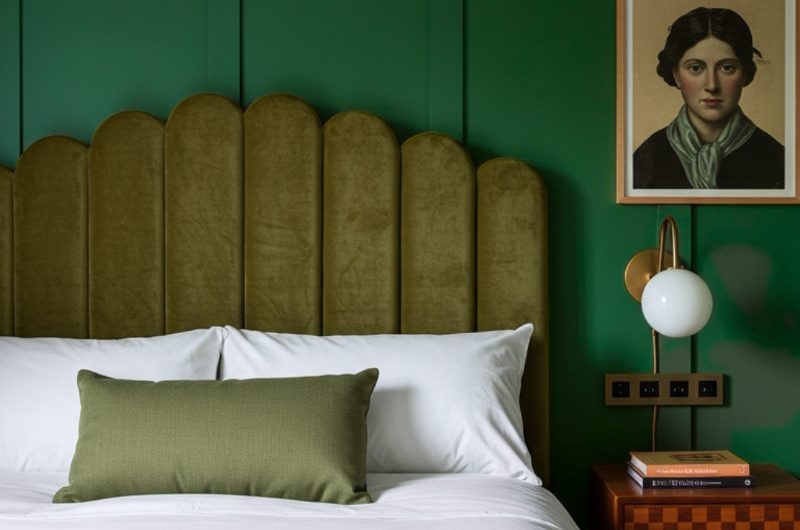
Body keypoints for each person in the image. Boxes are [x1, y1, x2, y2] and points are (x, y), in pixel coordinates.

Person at [634, 7, 784, 189]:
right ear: (676, 75)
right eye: (696, 68)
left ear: (744, 74)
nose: (712, 85)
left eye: (727, 68)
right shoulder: (646, 159)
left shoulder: (777, 160)